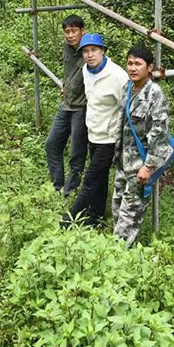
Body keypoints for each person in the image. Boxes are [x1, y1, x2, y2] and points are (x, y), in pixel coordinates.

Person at [62, 32, 128, 228]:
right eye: (86, 51)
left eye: (94, 50)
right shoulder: (86, 71)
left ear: (103, 51)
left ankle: (67, 221)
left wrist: (119, 138)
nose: (90, 55)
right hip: (94, 133)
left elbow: (126, 110)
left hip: (109, 138)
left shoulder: (118, 76)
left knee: (90, 180)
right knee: (99, 180)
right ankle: (96, 218)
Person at [112, 42, 171, 246]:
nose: (132, 68)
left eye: (138, 64)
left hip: (140, 167)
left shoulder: (154, 94)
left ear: (149, 67)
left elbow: (160, 132)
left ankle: (116, 258)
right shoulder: (127, 88)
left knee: (128, 219)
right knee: (118, 209)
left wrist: (149, 166)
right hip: (123, 163)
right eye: (129, 63)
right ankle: (121, 254)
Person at [44, 15, 88, 195]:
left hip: (81, 109)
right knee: (52, 144)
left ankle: (70, 192)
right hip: (66, 105)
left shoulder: (89, 51)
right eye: (67, 32)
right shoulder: (67, 48)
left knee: (76, 153)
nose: (70, 35)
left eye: (73, 31)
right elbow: (69, 72)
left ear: (82, 31)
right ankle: (58, 187)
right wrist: (66, 86)